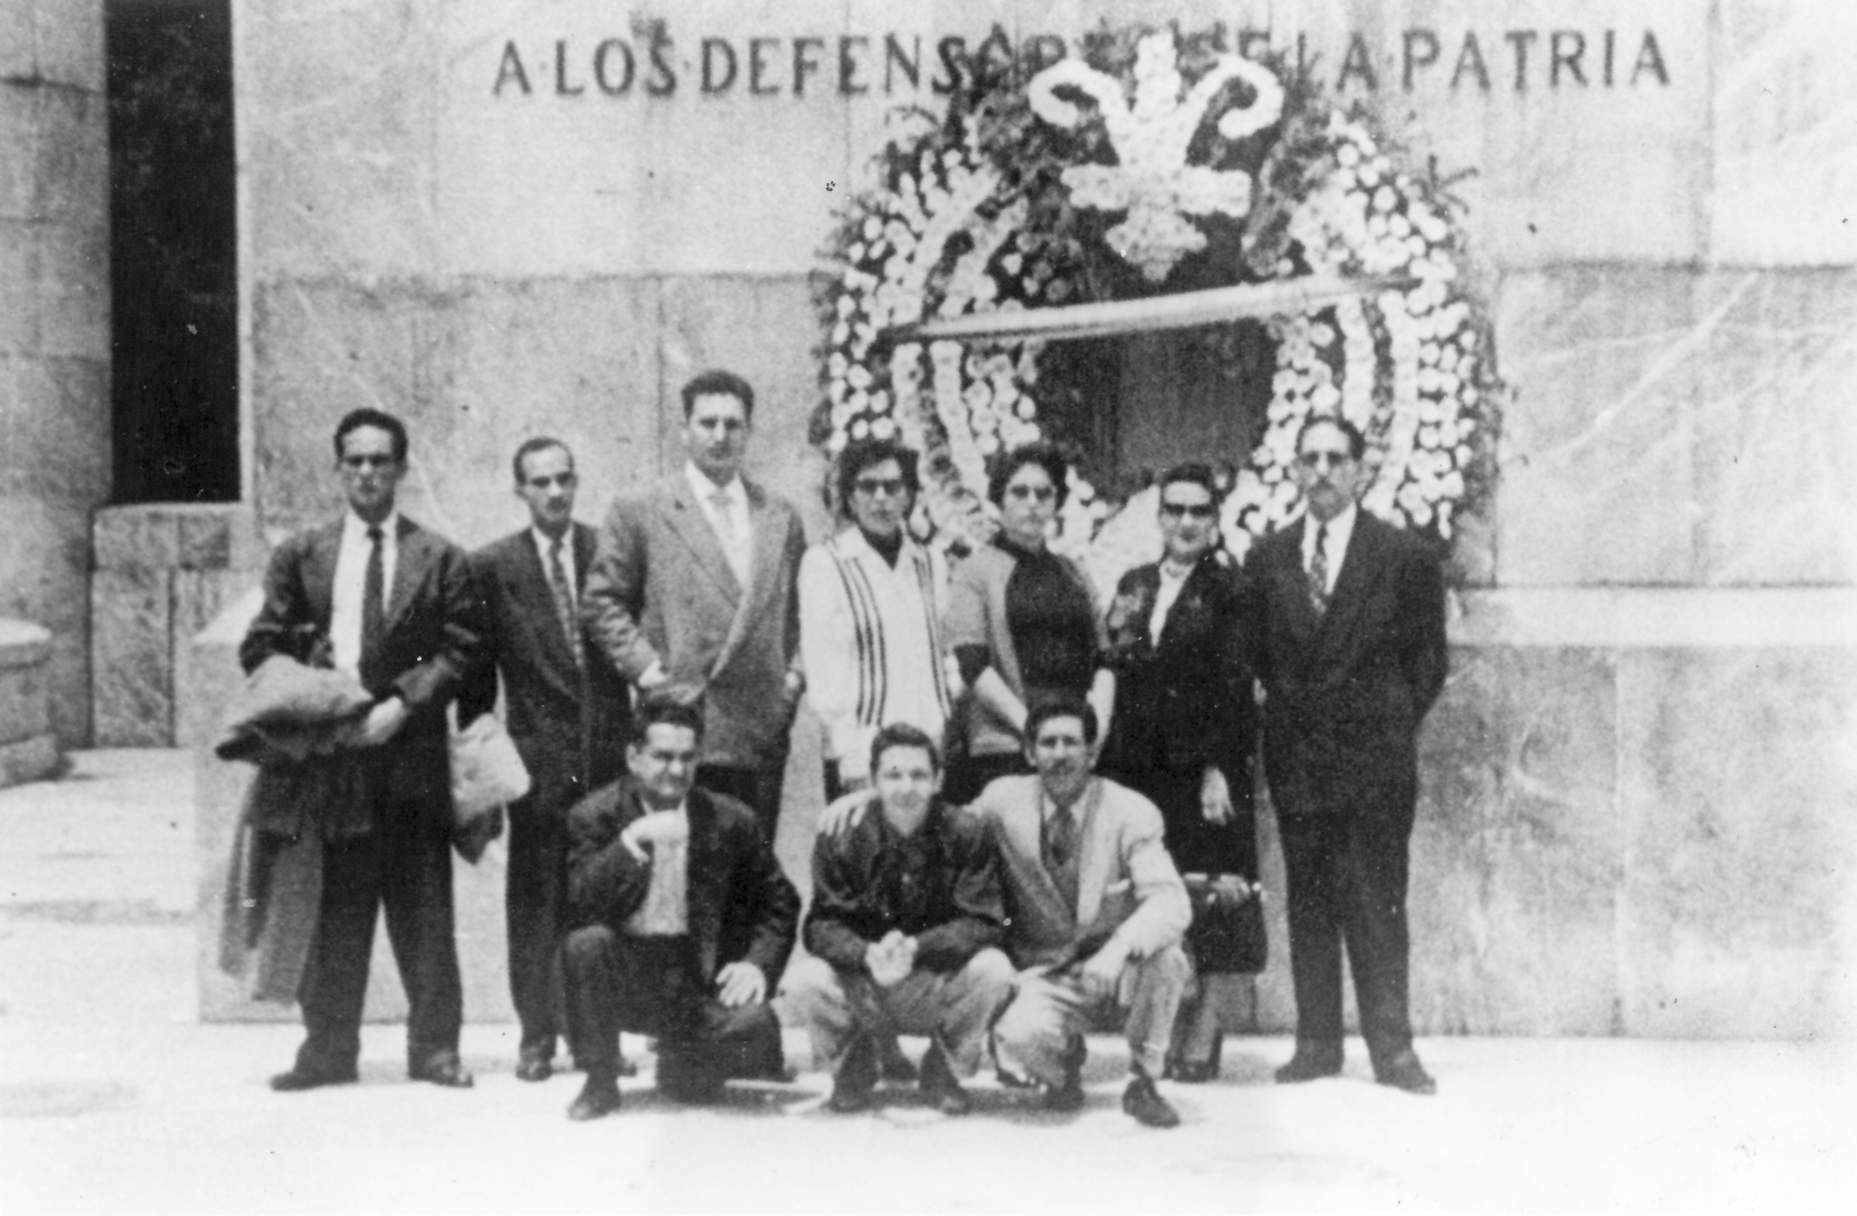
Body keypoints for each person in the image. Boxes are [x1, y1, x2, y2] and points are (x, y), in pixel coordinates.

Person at [240, 408, 480, 1092]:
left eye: (382, 461)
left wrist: (402, 703)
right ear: (339, 468)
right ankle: (328, 1051)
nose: (369, 473)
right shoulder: (303, 554)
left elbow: (461, 649)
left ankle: (435, 1051)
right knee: (334, 912)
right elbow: (261, 643)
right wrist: (316, 686)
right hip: (333, 763)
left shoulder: (439, 558)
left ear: (402, 469)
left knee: (424, 912)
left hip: (408, 761)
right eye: (357, 461)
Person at [1241, 415, 1449, 1095]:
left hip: (1373, 767)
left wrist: (1380, 726)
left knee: (1377, 904)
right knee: (1308, 905)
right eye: (1309, 459)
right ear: (1294, 471)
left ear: (1361, 470)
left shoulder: (1402, 556)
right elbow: (1262, 659)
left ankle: (1392, 1050)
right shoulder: (1268, 559)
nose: (1322, 470)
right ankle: (1316, 1044)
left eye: (1336, 458)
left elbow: (1427, 665)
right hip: (1300, 764)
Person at [459, 437, 633, 1083]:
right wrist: (488, 778)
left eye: (564, 479)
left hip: (612, 761)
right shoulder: (490, 568)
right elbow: (477, 690)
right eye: (540, 482)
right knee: (536, 905)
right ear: (520, 491)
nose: (555, 492)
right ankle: (537, 1035)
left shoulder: (608, 551)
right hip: (538, 769)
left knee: (606, 904)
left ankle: (603, 1037)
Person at [581, 369, 808, 843]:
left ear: (749, 431)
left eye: (733, 424)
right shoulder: (643, 507)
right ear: (684, 430)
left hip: (758, 726)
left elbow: (803, 614)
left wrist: (791, 682)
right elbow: (602, 602)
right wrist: (650, 673)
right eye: (708, 423)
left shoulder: (779, 515)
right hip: (680, 723)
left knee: (750, 870)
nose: (720, 436)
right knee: (681, 868)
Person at [560, 698, 800, 1121]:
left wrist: (756, 965)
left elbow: (779, 900)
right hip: (628, 967)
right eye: (662, 757)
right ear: (634, 757)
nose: (676, 770)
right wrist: (630, 842)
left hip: (694, 974)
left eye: (687, 758)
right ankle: (600, 1080)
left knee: (753, 1030)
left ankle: (684, 1060)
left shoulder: (730, 820)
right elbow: (579, 903)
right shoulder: (594, 816)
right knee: (586, 946)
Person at [1100, 462, 1263, 1082]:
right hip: (1143, 770)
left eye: (1200, 511)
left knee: (1216, 898)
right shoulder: (1135, 582)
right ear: (1159, 515)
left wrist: (1219, 767)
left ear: (1216, 520)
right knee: (1161, 896)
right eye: (1175, 510)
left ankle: (1205, 1034)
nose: (1187, 522)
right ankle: (1159, 1030)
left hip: (1206, 772)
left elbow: (1237, 684)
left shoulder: (1232, 589)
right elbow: (1113, 664)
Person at [777, 724, 1014, 1117]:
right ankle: (853, 1065)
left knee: (994, 970)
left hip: (931, 981)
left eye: (919, 775)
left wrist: (917, 947)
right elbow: (820, 926)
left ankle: (944, 1070)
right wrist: (866, 953)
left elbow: (984, 921)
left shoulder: (967, 833)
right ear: (873, 782)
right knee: (804, 980)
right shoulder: (841, 834)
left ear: (938, 780)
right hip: (868, 980)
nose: (906, 787)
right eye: (893, 775)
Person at [976, 696, 1190, 1129]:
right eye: (1048, 743)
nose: (1059, 754)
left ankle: (1143, 1082)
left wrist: (1118, 949)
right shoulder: (1003, 802)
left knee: (1168, 957)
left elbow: (1172, 900)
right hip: (1048, 974)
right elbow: (940, 825)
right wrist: (866, 798)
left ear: (1092, 752)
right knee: (1018, 1036)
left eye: (1071, 743)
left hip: (1118, 974)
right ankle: (1061, 1071)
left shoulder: (1131, 811)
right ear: (1029, 752)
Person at [945, 442, 1114, 804]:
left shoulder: (1075, 573)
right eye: (1020, 492)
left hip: (1073, 748)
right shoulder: (975, 572)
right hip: (1007, 747)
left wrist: (1093, 731)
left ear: (1057, 502)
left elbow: (1103, 660)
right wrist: (1033, 732)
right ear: (999, 500)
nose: (1033, 503)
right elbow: (973, 665)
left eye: (1044, 493)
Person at [799, 437, 956, 802]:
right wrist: (852, 758)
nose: (881, 498)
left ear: (909, 495)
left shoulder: (930, 561)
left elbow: (944, 648)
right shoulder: (826, 563)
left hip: (926, 748)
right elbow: (824, 673)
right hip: (862, 754)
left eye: (892, 486)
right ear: (850, 498)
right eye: (868, 487)